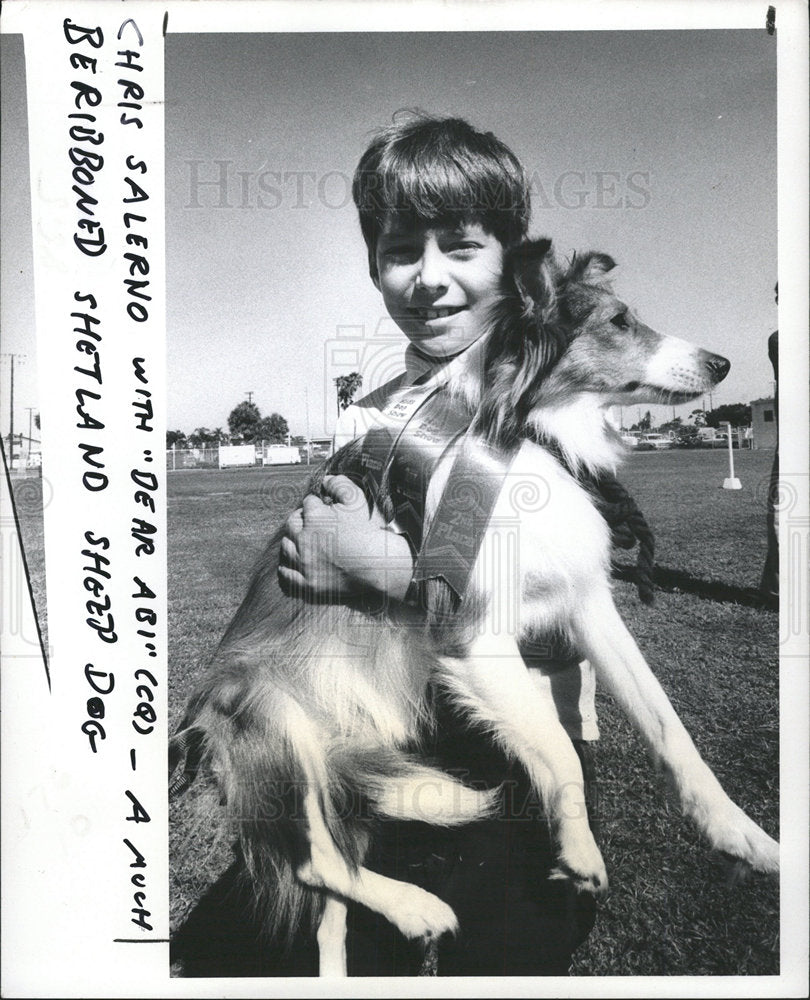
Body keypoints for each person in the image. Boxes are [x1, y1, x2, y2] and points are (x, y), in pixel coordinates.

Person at [279, 112, 599, 976]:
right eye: (399, 250)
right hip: (399, 744)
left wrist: (365, 565)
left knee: (506, 958)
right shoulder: (381, 404)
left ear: (513, 258)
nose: (428, 280)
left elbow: (565, 613)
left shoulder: (550, 386)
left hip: (523, 750)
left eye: (461, 246)